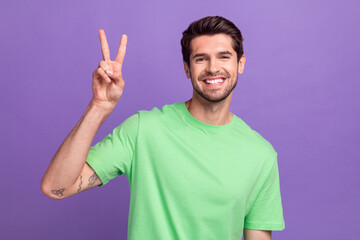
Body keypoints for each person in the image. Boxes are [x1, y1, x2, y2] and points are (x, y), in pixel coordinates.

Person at [41, 16, 285, 240]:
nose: (212, 68)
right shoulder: (143, 130)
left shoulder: (261, 154)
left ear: (240, 64)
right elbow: (56, 188)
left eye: (224, 56)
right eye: (201, 59)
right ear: (187, 68)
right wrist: (99, 106)